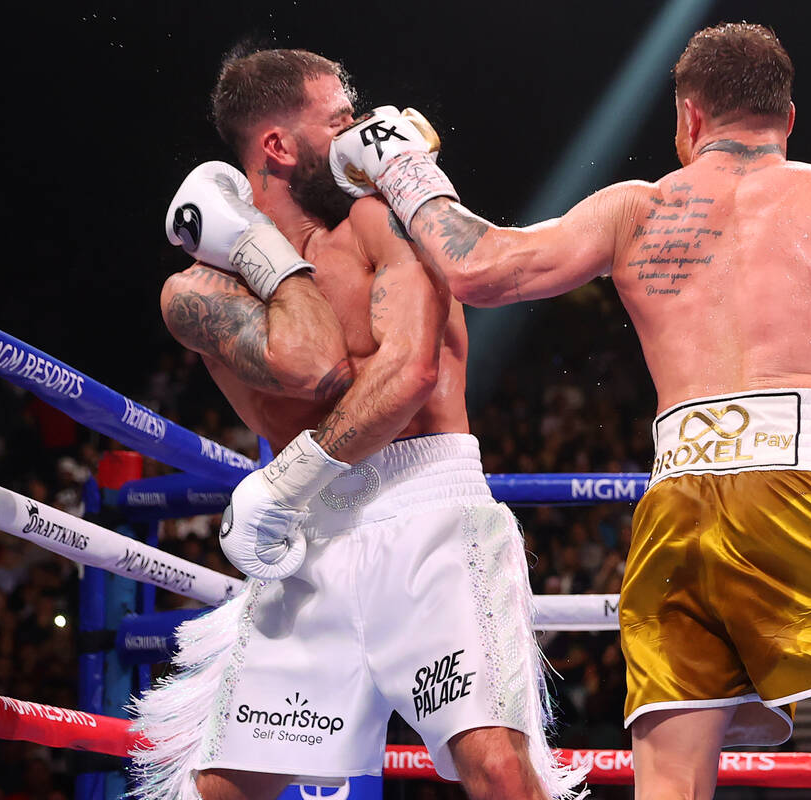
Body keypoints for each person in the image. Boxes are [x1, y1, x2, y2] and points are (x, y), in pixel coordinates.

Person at [329, 22, 811, 800]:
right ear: (787, 117)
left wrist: (404, 168)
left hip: (680, 507)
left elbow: (482, 269)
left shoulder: (634, 210)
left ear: (689, 118)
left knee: (670, 786)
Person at [130, 47, 581, 800]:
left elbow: (410, 374)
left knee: (500, 771)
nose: (363, 130)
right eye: (339, 118)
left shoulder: (381, 222)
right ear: (278, 146)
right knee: (217, 791)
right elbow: (313, 366)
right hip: (308, 545)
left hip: (428, 516)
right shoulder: (198, 290)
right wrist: (262, 249)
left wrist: (283, 479)